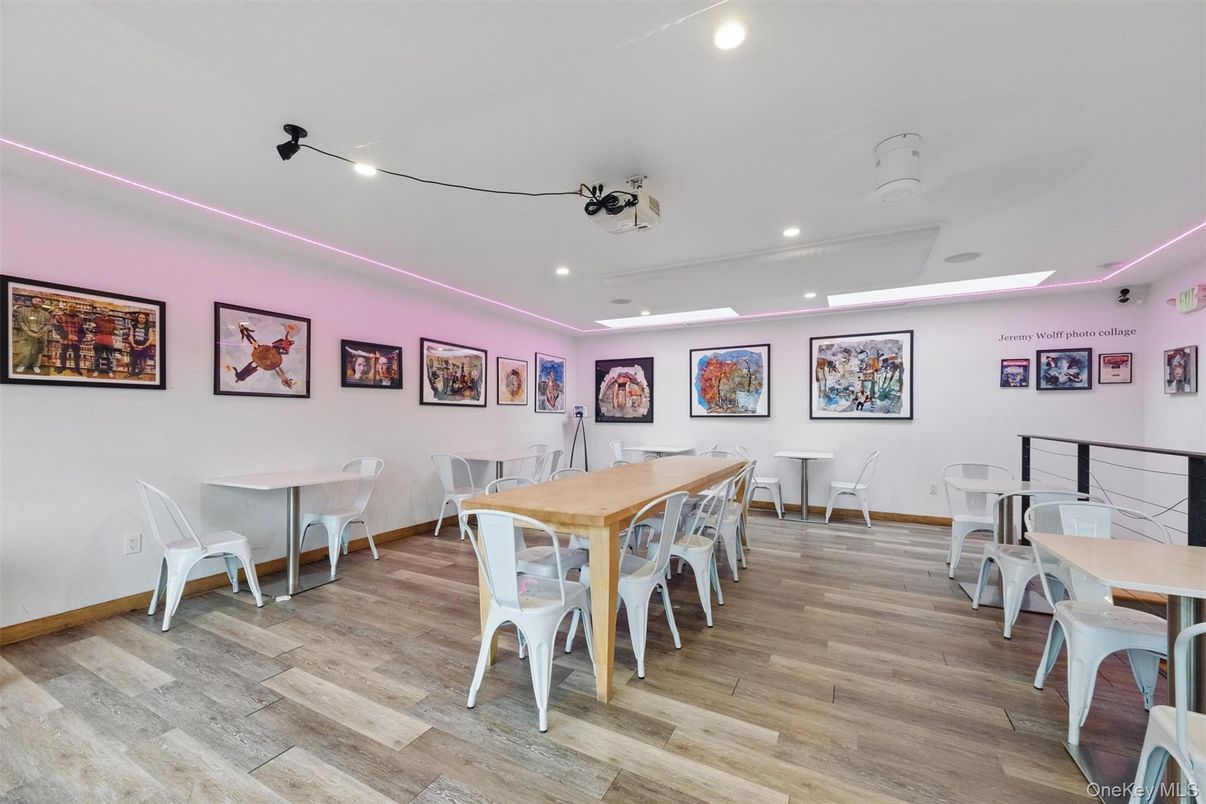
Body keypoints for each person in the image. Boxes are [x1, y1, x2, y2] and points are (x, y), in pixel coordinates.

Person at [12, 295, 53, 374]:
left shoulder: (46, 314)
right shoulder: (24, 311)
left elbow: (48, 325)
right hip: (27, 335)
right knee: (25, 351)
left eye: (39, 301)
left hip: (40, 336)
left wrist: (39, 334)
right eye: (35, 300)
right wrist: (30, 333)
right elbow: (21, 323)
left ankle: (36, 366)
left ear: (42, 303)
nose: (37, 302)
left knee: (38, 352)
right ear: (31, 301)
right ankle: (22, 365)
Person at [54, 304, 84, 374]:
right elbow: (57, 328)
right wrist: (67, 336)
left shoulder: (79, 318)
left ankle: (77, 369)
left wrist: (78, 337)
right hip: (65, 339)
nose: (72, 308)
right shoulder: (60, 316)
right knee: (63, 355)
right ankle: (63, 367)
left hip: (76, 340)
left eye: (74, 307)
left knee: (77, 355)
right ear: (66, 307)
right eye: (70, 306)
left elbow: (81, 330)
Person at [91, 305, 117, 378]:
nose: (105, 313)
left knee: (110, 358)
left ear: (108, 312)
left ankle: (110, 371)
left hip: (109, 340)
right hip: (99, 340)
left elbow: (114, 329)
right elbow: (92, 327)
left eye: (106, 312)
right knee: (97, 357)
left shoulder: (112, 320)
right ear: (101, 312)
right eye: (103, 311)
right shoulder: (96, 318)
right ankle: (96, 370)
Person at [127, 311, 155, 377]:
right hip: (134, 346)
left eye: (143, 318)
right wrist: (133, 344)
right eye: (140, 317)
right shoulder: (133, 326)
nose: (141, 319)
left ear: (146, 319)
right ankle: (132, 373)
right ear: (137, 318)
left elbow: (151, 338)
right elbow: (130, 336)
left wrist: (144, 346)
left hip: (144, 347)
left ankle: (140, 373)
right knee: (133, 361)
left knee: (142, 362)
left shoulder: (148, 328)